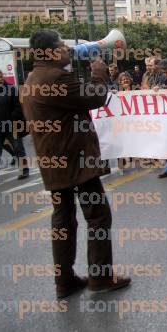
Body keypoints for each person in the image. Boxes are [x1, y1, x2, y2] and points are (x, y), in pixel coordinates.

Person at [20, 29, 131, 298]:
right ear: (49, 52)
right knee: (98, 216)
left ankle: (65, 280)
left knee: (63, 221)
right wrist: (99, 72)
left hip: (55, 161)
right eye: (61, 46)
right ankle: (100, 277)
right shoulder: (55, 78)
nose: (66, 50)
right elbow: (95, 96)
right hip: (75, 161)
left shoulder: (33, 78)